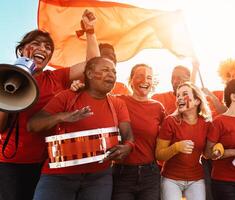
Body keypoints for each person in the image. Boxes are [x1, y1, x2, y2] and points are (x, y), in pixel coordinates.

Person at [0, 10, 99, 200]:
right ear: (22, 50)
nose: (42, 49)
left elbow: (92, 65)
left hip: (44, 163)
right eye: (35, 44)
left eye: (47, 47)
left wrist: (90, 31)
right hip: (8, 164)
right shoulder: (4, 76)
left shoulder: (56, 78)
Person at [27, 57, 134, 200]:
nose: (111, 75)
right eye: (105, 70)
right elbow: (32, 125)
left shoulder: (118, 104)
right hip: (59, 176)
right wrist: (61, 117)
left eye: (114, 72)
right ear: (89, 74)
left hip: (100, 178)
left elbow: (128, 136)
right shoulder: (67, 96)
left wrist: (127, 147)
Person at [111, 64, 165, 200]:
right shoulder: (118, 101)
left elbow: (169, 135)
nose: (145, 80)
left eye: (149, 77)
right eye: (140, 76)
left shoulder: (158, 108)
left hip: (150, 174)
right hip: (123, 173)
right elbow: (96, 97)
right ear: (130, 80)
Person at [155, 82, 212, 200]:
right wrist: (176, 147)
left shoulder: (206, 124)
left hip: (196, 178)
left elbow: (206, 154)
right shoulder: (170, 121)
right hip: (171, 179)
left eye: (184, 94)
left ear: (197, 101)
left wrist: (215, 152)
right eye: (178, 95)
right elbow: (159, 155)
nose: (179, 98)